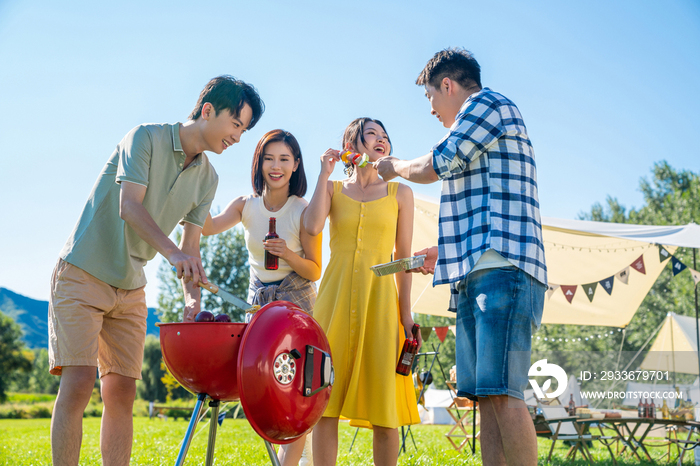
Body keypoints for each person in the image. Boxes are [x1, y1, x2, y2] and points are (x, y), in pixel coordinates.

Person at [48, 75, 264, 466]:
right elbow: (129, 207)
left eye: (244, 130)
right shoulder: (144, 138)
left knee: (122, 393)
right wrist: (173, 256)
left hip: (130, 287)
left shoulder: (208, 179)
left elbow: (190, 249)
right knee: (78, 384)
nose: (237, 137)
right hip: (83, 272)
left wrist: (192, 299)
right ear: (208, 110)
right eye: (236, 124)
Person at [375, 48, 547, 466]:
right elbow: (484, 200)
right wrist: (444, 251)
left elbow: (441, 163)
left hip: (503, 269)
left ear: (447, 85)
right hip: (479, 271)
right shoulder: (477, 123)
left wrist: (395, 166)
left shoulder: (487, 104)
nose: (432, 108)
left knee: (504, 394)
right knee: (486, 399)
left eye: (431, 97)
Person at [304, 118, 421, 466]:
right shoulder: (333, 189)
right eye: (372, 134)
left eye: (385, 136)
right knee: (325, 401)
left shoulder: (401, 193)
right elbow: (311, 226)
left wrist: (405, 314)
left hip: (381, 305)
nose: (382, 140)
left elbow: (404, 258)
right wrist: (324, 174)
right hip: (334, 303)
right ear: (352, 145)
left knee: (384, 408)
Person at [202, 129, 321, 466]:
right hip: (258, 304)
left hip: (298, 303)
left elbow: (314, 270)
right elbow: (208, 225)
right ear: (258, 163)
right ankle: (293, 456)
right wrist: (185, 199)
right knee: (265, 387)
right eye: (269, 158)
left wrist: (288, 254)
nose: (276, 166)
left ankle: (289, 460)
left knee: (296, 389)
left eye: (284, 159)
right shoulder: (245, 206)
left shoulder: (303, 209)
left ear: (296, 164)